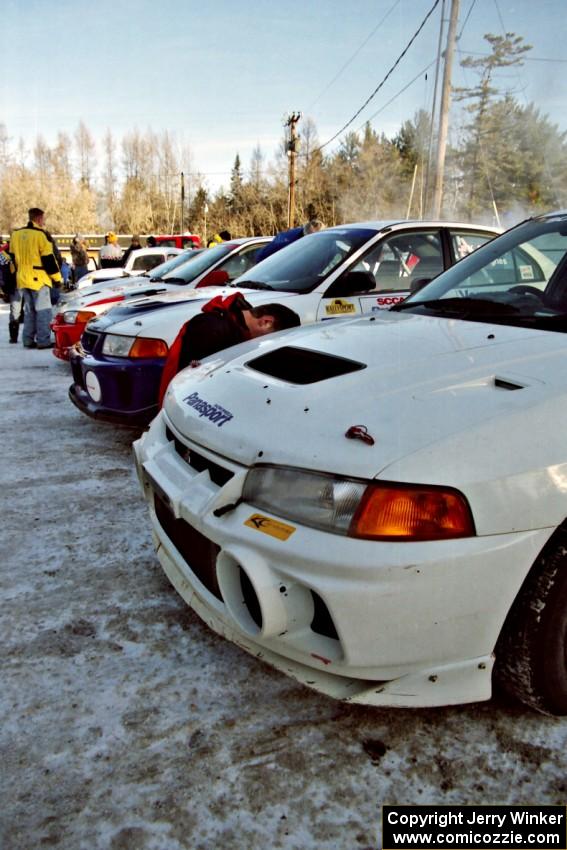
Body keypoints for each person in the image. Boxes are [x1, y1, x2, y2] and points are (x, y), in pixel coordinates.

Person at [158, 292, 300, 403]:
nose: (266, 343)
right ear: (266, 322)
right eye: (272, 338)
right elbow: (199, 386)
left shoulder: (230, 323)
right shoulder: (215, 329)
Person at [9, 207, 62, 349]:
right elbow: (49, 260)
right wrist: (57, 279)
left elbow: (12, 258)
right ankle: (43, 341)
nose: (43, 222)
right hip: (39, 278)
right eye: (43, 219)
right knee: (43, 311)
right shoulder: (40, 235)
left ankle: (27, 340)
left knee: (29, 311)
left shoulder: (16, 235)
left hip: (22, 278)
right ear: (38, 219)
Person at [255, 219, 324, 262]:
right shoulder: (286, 242)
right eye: (314, 240)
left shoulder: (327, 245)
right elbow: (261, 256)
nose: (318, 244)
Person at [0, 242, 20, 343]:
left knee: (15, 311)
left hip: (14, 285)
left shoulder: (3, 253)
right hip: (24, 283)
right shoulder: (4, 254)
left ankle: (14, 337)